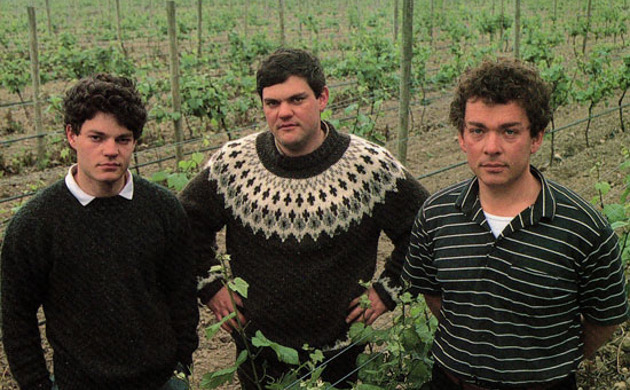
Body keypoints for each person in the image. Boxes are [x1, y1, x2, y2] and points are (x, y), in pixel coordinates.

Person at [179, 48, 430, 389]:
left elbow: (426, 227)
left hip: (342, 359)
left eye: (297, 99)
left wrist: (387, 291)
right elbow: (183, 224)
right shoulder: (233, 165)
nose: (284, 112)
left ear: (322, 97)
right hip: (259, 359)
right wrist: (209, 287)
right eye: (272, 103)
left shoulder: (368, 166)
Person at [402, 58, 629, 390]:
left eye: (509, 131)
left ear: (536, 137)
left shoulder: (584, 229)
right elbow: (435, 297)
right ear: (462, 138)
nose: (491, 148)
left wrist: (545, 364)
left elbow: (603, 320)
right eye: (477, 130)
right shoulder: (436, 215)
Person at [1, 74, 199, 390]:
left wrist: (180, 366)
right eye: (97, 137)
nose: (111, 150)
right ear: (71, 135)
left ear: (135, 141)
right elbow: (16, 317)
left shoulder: (163, 210)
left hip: (160, 382)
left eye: (123, 139)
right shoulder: (35, 224)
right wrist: (37, 384)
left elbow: (182, 294)